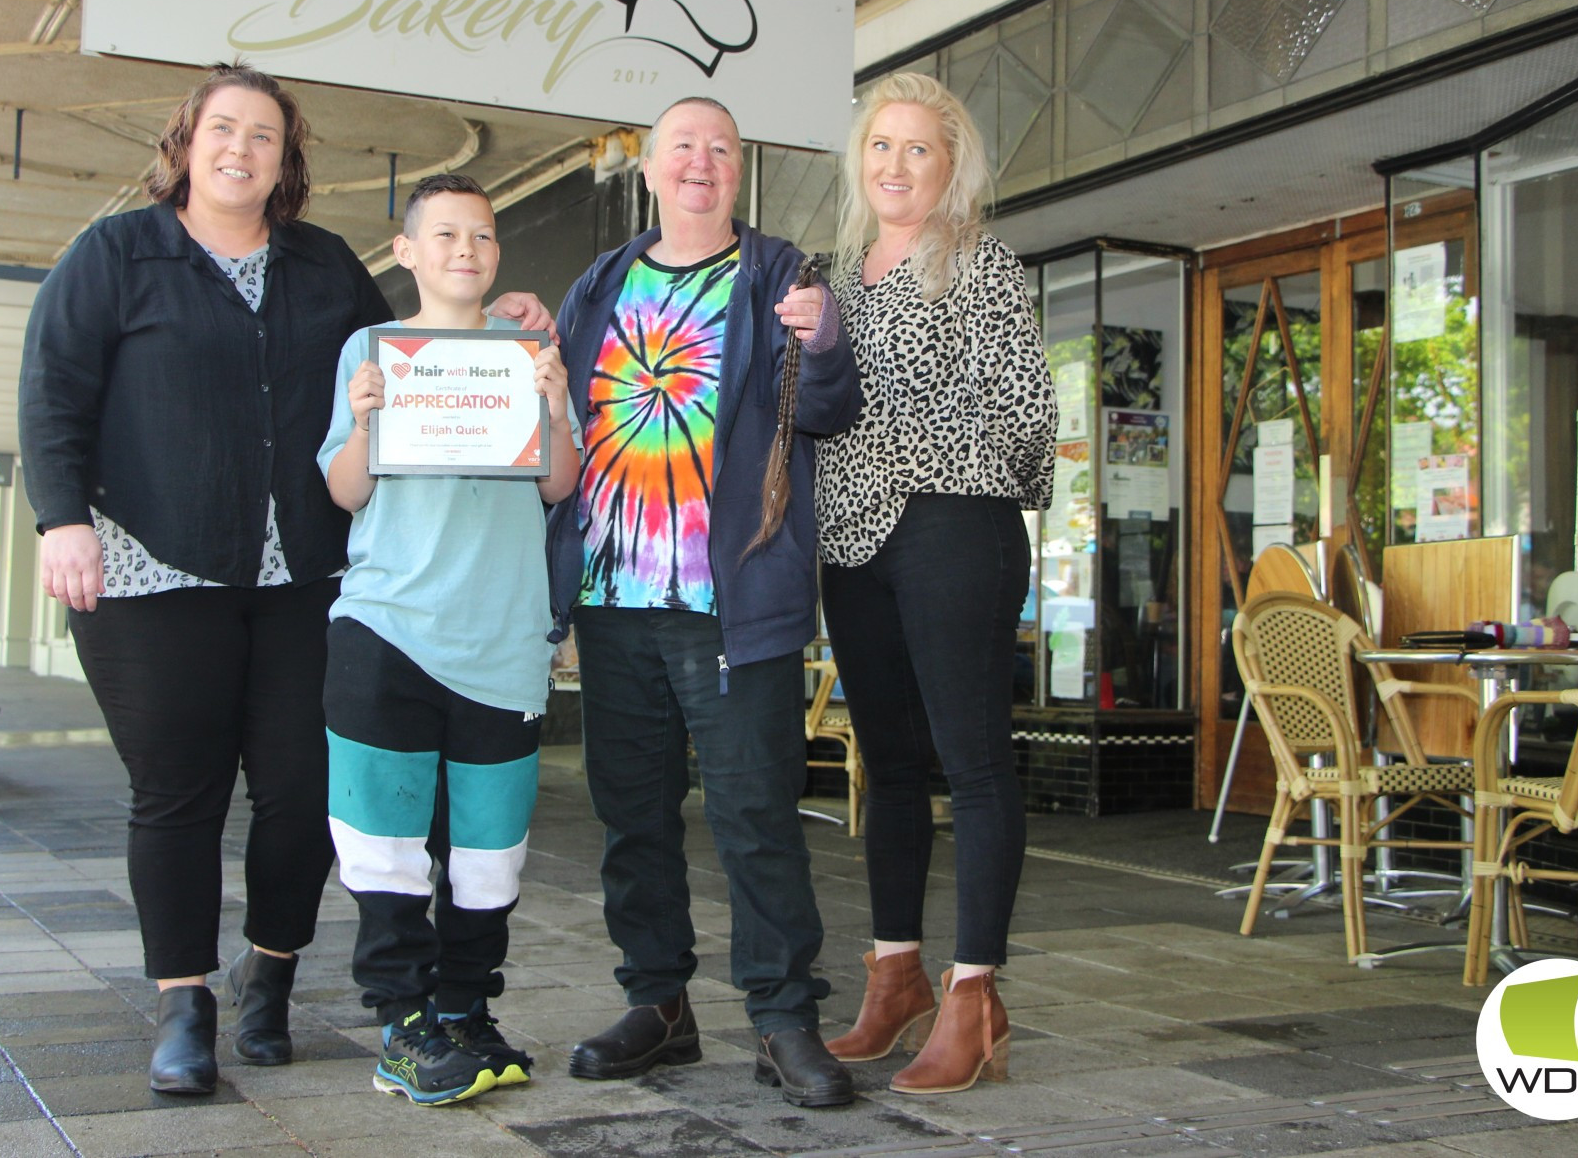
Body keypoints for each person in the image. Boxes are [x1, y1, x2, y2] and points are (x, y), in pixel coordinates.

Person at [18, 63, 549, 1095]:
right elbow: (53, 392)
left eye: (263, 135)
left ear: (284, 159)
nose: (241, 149)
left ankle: (267, 976)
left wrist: (500, 317)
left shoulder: (321, 266)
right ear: (187, 141)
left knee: (302, 793)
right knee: (178, 792)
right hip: (149, 564)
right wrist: (60, 519)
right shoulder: (116, 254)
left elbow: (411, 352)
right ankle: (182, 1001)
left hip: (301, 570)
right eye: (224, 129)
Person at [546, 97, 863, 1108]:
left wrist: (820, 344)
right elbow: (555, 413)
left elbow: (825, 410)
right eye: (682, 146)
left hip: (731, 603)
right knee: (629, 815)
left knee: (755, 813)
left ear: (738, 172)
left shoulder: (779, 277)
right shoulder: (599, 284)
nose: (701, 161)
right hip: (612, 596)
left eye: (720, 149)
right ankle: (659, 1005)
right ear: (646, 168)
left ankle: (782, 1018)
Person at [812, 72, 1056, 1094]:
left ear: (949, 167)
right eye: (881, 146)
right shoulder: (829, 277)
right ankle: (895, 972)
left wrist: (924, 462)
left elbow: (1028, 419)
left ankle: (973, 992)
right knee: (887, 763)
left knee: (973, 759)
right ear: (857, 161)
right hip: (850, 540)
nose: (895, 166)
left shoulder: (981, 266)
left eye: (918, 149)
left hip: (953, 525)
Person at [317, 174, 578, 1106]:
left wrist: (551, 405)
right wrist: (365, 416)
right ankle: (400, 1025)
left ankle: (464, 1009)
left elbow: (557, 486)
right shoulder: (371, 350)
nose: (466, 251)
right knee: (384, 847)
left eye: (483, 236)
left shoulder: (528, 351)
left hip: (503, 640)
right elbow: (346, 489)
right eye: (447, 236)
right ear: (408, 251)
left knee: (486, 853)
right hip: (385, 629)